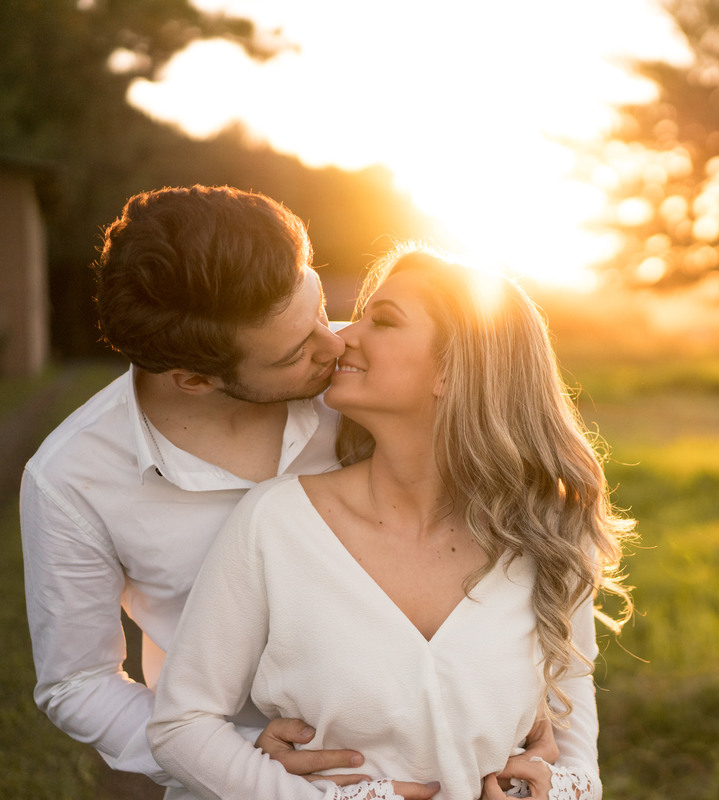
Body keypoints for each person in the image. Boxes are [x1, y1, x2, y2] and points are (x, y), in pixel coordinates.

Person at [147, 244, 636, 799]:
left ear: (454, 370)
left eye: (383, 321)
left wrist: (561, 790)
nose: (342, 336)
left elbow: (571, 708)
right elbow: (181, 725)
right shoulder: (276, 523)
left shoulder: (548, 529)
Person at [19, 185, 428, 796]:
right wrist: (232, 756)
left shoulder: (369, 379)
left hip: (429, 745)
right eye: (296, 352)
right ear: (194, 380)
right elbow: (77, 683)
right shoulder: (71, 479)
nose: (334, 343)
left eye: (318, 306)